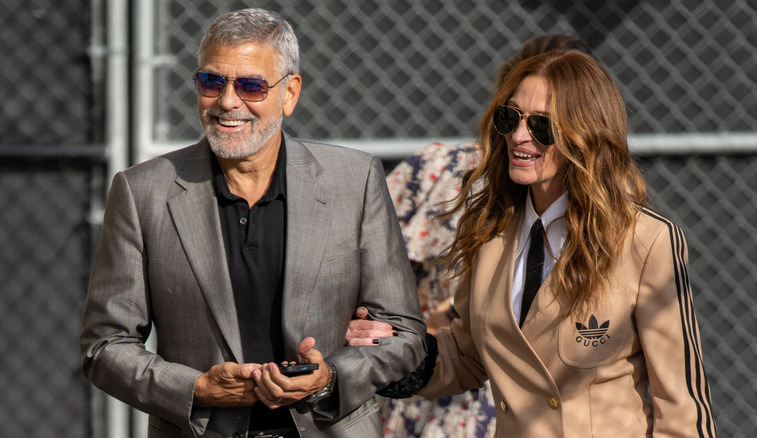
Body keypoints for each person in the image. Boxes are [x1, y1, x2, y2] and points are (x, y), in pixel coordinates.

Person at [80, 8, 426, 438]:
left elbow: (405, 335)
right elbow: (103, 347)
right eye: (212, 82)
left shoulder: (354, 181)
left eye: (250, 85)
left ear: (290, 93)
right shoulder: (142, 192)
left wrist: (330, 378)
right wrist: (197, 389)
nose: (227, 101)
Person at [349, 50, 717, 437]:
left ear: (585, 135)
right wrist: (392, 351)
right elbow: (467, 357)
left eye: (542, 126)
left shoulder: (645, 240)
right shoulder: (489, 229)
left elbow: (682, 407)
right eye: (510, 118)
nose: (519, 136)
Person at [380, 34, 590, 437]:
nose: (524, 134)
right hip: (443, 384)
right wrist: (423, 326)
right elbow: (369, 261)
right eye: (515, 116)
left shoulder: (608, 210)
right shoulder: (443, 167)